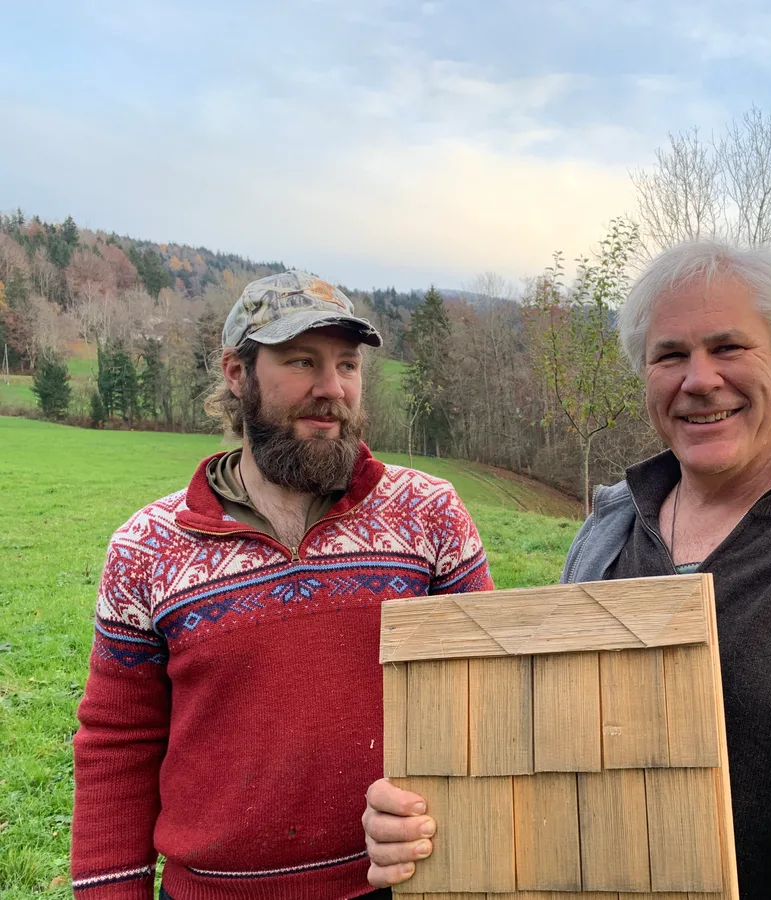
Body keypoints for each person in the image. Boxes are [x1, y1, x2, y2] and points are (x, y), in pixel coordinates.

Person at [364, 242, 771, 899]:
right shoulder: (603, 540)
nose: (699, 379)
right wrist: (424, 822)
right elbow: (541, 773)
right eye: (671, 355)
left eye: (728, 347)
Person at [71, 271, 492, 900]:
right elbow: (118, 743)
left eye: (347, 364)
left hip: (401, 882)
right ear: (237, 374)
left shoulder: (428, 513)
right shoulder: (147, 548)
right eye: (302, 362)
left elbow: (487, 695)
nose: (332, 389)